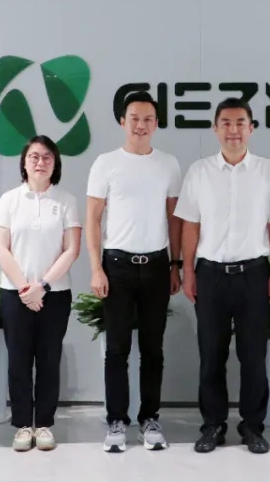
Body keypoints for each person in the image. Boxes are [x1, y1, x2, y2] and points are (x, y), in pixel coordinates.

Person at [175, 97, 270, 455]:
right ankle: (213, 425)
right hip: (210, 275)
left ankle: (252, 426)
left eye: (241, 122)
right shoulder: (199, 172)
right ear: (215, 129)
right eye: (226, 123)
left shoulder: (268, 171)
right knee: (211, 355)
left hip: (254, 274)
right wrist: (187, 269)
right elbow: (190, 226)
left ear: (251, 128)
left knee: (253, 356)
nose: (233, 130)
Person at [85, 91, 183, 453]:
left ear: (156, 124)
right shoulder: (106, 164)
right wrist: (96, 268)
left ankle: (149, 419)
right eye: (134, 119)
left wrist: (176, 264)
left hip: (156, 266)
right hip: (117, 266)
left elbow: (174, 219)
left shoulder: (168, 164)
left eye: (148, 119)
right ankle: (116, 420)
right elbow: (93, 219)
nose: (141, 125)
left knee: (153, 349)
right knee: (117, 349)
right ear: (122, 122)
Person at [0, 136, 81, 452]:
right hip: (14, 293)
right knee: (18, 360)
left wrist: (42, 286)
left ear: (55, 163)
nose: (40, 162)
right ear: (24, 162)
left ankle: (43, 424)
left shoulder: (66, 201)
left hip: (55, 294)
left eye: (46, 157)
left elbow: (72, 250)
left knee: (48, 359)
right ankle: (21, 425)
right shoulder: (9, 200)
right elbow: (0, 247)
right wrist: (24, 288)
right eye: (33, 156)